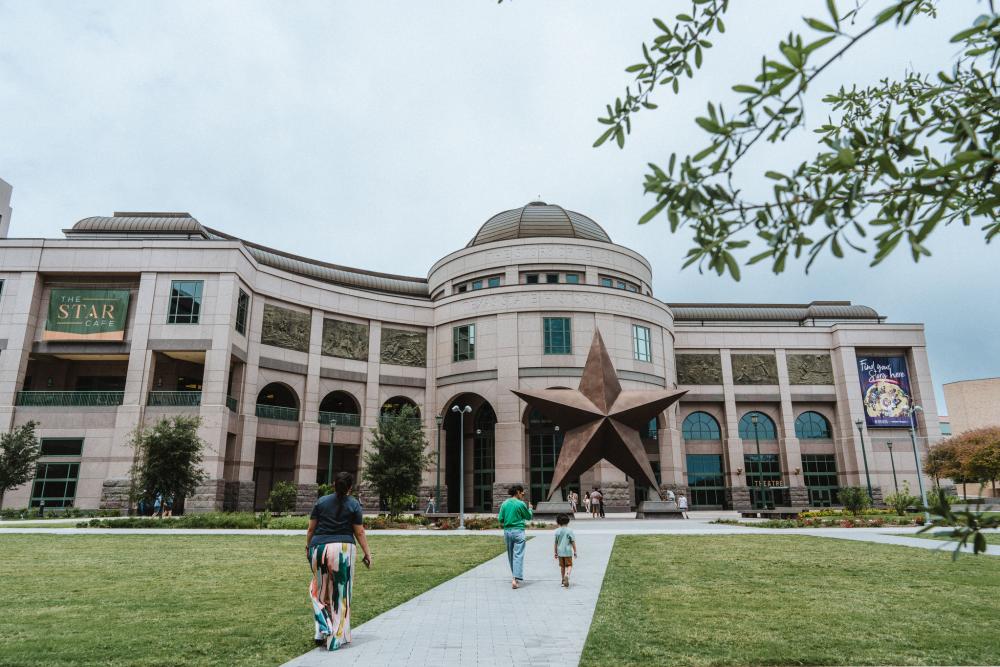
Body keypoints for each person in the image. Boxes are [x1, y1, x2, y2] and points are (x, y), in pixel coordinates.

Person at [306, 471, 372, 651]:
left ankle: (321, 631)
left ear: (333, 484)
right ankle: (336, 636)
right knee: (341, 593)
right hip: (343, 550)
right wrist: (367, 553)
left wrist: (308, 547)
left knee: (319, 590)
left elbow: (311, 529)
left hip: (319, 548)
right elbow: (359, 532)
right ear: (351, 487)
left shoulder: (321, 502)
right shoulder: (354, 504)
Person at [497, 484, 532, 589]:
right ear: (518, 492)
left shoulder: (504, 504)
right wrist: (530, 509)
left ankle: (514, 577)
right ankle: (515, 578)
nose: (523, 495)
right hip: (519, 532)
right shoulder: (520, 504)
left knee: (511, 555)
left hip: (507, 532)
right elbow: (528, 517)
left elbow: (500, 519)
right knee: (518, 555)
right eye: (522, 493)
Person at [553, 514, 577, 588]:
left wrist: (555, 552)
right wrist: (575, 551)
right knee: (569, 565)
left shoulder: (557, 531)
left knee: (562, 567)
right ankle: (567, 575)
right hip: (568, 551)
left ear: (558, 522)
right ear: (568, 522)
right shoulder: (570, 531)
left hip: (560, 552)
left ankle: (563, 580)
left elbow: (555, 543)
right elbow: (572, 541)